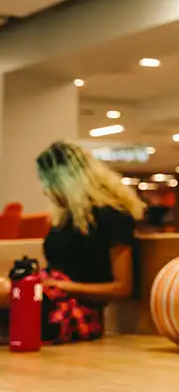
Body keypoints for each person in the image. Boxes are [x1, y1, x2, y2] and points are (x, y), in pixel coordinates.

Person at [0, 141, 143, 341]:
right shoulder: (65, 219)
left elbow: (122, 288)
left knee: (8, 292)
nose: (45, 191)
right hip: (49, 294)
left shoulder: (112, 216)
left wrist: (63, 286)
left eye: (47, 182)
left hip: (77, 310)